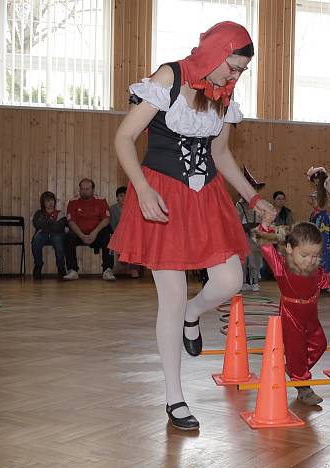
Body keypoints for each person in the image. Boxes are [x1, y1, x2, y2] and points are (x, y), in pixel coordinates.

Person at [109, 21, 275, 431]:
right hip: (161, 194)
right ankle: (175, 398)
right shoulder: (170, 76)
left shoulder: (224, 94)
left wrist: (254, 198)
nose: (233, 77)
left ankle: (193, 315)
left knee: (230, 280)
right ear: (215, 52)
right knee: (171, 293)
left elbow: (220, 154)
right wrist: (143, 188)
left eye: (240, 71)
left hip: (206, 198)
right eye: (231, 67)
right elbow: (124, 137)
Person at [254, 217, 330, 405]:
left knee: (320, 344)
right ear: (290, 248)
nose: (310, 260)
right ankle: (303, 387)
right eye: (304, 256)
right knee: (296, 351)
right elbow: (265, 247)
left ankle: (295, 369)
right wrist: (264, 228)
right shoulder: (281, 266)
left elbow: (325, 280)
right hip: (291, 315)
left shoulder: (315, 268)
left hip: (311, 315)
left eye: (315, 256)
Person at [63, 178, 115, 281]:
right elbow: (71, 222)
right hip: (79, 233)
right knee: (68, 237)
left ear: (93, 190)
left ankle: (107, 270)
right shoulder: (73, 202)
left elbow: (106, 220)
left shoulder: (101, 200)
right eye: (82, 189)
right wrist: (82, 235)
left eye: (87, 189)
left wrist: (94, 233)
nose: (84, 191)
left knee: (107, 235)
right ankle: (72, 270)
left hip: (96, 233)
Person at [236, 178, 266, 291]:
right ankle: (243, 280)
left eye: (255, 189)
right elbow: (236, 221)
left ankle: (254, 280)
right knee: (243, 258)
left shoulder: (259, 204)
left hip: (256, 234)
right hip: (243, 235)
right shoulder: (239, 205)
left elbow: (263, 218)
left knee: (255, 257)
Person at [31, 191, 68, 279]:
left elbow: (59, 227)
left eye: (52, 200)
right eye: (47, 201)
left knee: (58, 241)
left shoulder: (60, 213)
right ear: (43, 203)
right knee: (36, 241)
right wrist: (51, 223)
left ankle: (61, 267)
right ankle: (38, 266)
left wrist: (46, 224)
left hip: (56, 235)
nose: (50, 203)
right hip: (42, 235)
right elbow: (37, 224)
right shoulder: (38, 214)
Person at [109, 186, 140, 278]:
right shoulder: (113, 209)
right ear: (117, 197)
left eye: (126, 195)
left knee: (135, 241)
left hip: (133, 234)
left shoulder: (135, 208)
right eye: (121, 195)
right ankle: (122, 256)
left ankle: (134, 269)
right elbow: (113, 225)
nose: (123, 198)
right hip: (118, 234)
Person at [308, 190, 330, 273]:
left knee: (324, 262)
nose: (312, 201)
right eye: (312, 199)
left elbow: (326, 233)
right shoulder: (314, 214)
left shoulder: (324, 215)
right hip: (315, 242)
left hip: (323, 243)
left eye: (315, 199)